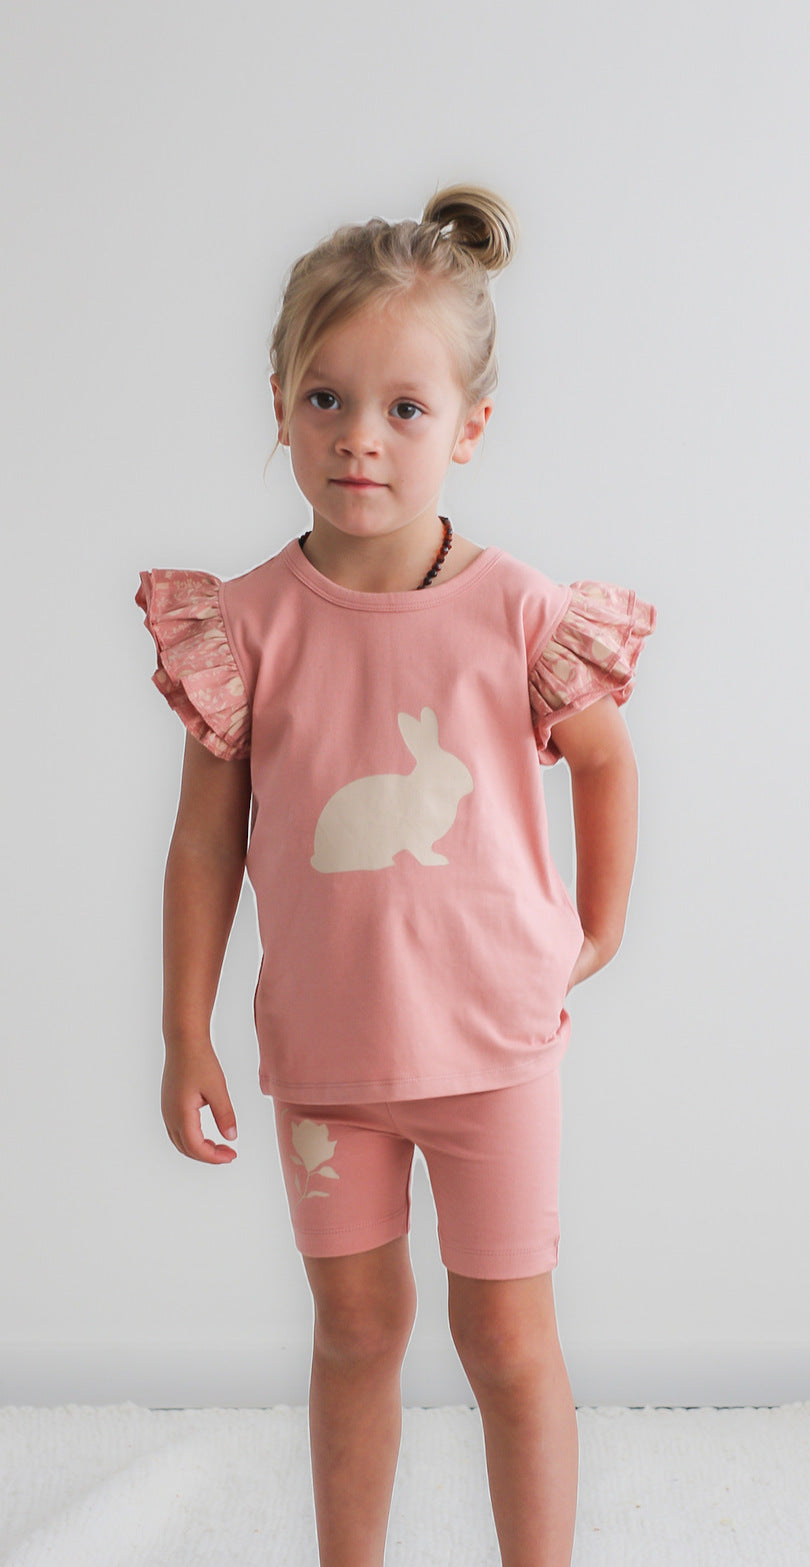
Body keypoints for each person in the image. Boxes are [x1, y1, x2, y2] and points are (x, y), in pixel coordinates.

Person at [135, 182, 656, 1567]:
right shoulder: (243, 629)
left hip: (494, 1052)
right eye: (325, 399)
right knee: (357, 1330)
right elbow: (204, 841)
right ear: (278, 403)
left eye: (404, 409)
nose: (359, 438)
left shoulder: (519, 613)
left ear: (467, 429)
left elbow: (601, 761)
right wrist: (185, 1026)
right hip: (327, 1064)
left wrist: (590, 930)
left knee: (505, 1339)